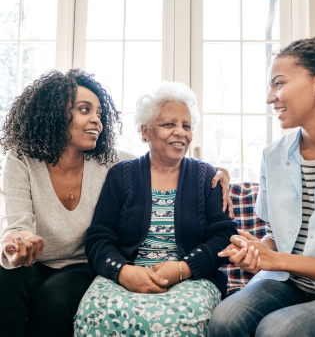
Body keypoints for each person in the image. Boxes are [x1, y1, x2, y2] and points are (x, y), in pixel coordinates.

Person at [0, 70, 232, 337]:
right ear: (53, 113)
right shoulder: (24, 159)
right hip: (39, 262)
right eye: (84, 110)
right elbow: (17, 226)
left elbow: (162, 160)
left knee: (56, 299)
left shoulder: (109, 160)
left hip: (79, 265)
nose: (96, 120)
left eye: (99, 113)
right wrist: (17, 244)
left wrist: (217, 172)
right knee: (5, 281)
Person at [208, 36, 315, 337]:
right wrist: (260, 250)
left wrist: (279, 259)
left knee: (278, 331)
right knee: (225, 318)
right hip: (289, 282)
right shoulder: (272, 155)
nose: (270, 97)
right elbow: (278, 234)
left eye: (279, 83)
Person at [73, 81, 238, 337]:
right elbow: (99, 238)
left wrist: (183, 268)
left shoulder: (206, 176)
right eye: (169, 124)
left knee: (183, 318)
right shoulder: (121, 175)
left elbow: (225, 237)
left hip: (191, 278)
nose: (180, 133)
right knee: (95, 312)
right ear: (145, 131)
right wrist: (122, 272)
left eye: (186, 126)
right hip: (129, 273)